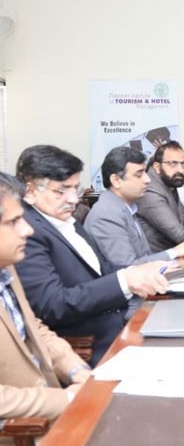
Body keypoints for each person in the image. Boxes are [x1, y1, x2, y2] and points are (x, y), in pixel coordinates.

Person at [14, 145, 170, 367]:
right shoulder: (26, 233)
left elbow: (103, 269)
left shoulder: (66, 220)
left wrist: (140, 271)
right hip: (85, 346)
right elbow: (53, 305)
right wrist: (125, 281)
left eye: (75, 188)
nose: (73, 199)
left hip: (115, 326)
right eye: (61, 191)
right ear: (30, 192)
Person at [0, 172, 91, 442]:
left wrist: (77, 370)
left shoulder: (7, 267)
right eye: (14, 222)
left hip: (49, 418)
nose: (27, 230)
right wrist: (67, 399)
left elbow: (33, 328)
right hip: (19, 436)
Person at [85, 147, 184, 267]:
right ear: (116, 180)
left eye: (145, 172)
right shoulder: (107, 214)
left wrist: (174, 262)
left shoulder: (126, 207)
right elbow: (127, 268)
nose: (147, 179)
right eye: (139, 174)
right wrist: (174, 253)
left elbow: (142, 257)